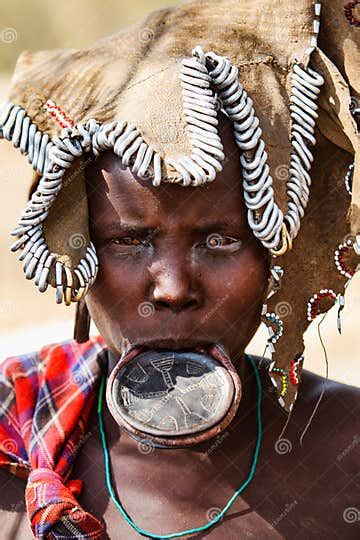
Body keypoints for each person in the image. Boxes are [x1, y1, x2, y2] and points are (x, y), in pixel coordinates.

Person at [0, 0, 359, 538]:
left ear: (277, 250)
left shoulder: (346, 449)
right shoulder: (13, 434)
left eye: (219, 240)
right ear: (75, 252)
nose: (172, 289)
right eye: (129, 240)